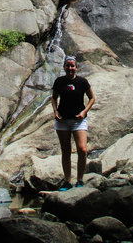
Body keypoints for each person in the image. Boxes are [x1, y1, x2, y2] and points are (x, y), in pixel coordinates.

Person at [51, 55, 95, 190]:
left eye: (72, 66)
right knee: (66, 151)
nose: (70, 68)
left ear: (76, 68)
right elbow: (53, 98)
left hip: (78, 120)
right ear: (64, 67)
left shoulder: (82, 82)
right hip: (62, 120)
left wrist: (84, 112)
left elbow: (92, 98)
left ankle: (80, 179)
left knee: (82, 149)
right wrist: (55, 111)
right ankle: (68, 181)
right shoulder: (59, 81)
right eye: (68, 65)